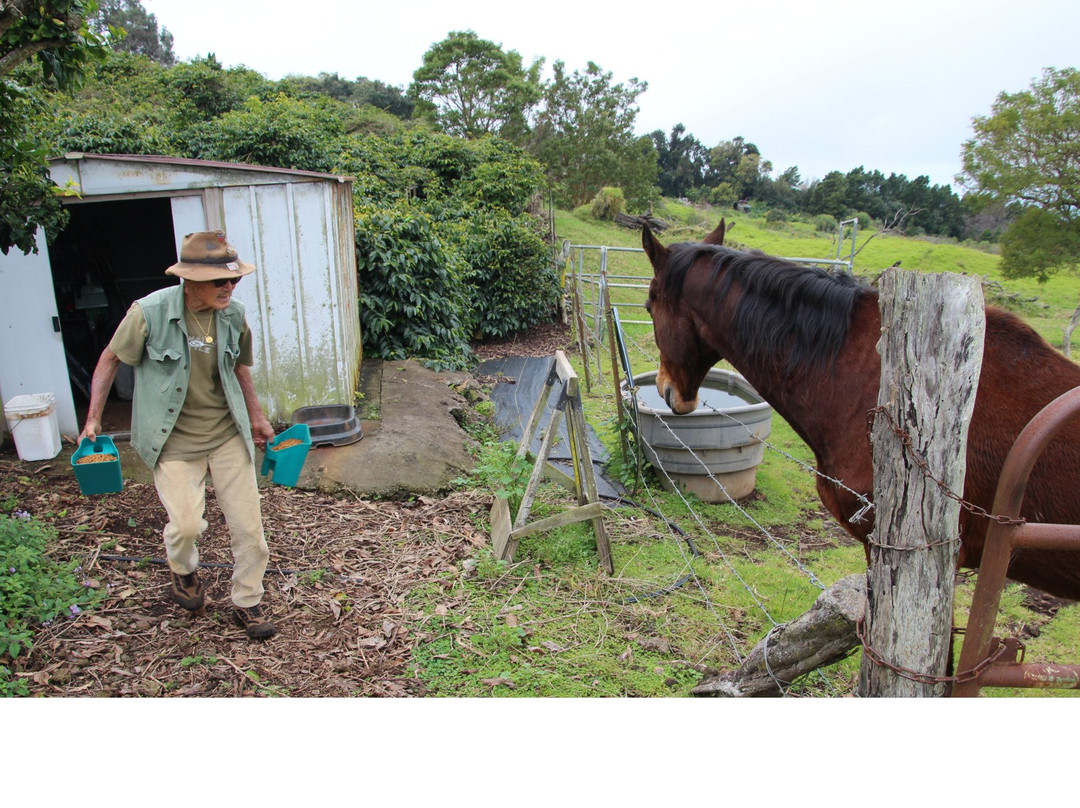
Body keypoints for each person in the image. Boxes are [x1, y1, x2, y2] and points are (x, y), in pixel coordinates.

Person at [79, 231, 277, 640]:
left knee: (251, 532)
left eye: (234, 280)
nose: (229, 287)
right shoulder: (149, 313)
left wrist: (256, 416)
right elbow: (111, 358)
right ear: (190, 279)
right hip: (172, 441)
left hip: (226, 434)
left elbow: (240, 367)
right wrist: (93, 420)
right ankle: (183, 571)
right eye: (220, 281)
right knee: (186, 525)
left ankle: (247, 602)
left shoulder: (233, 315)